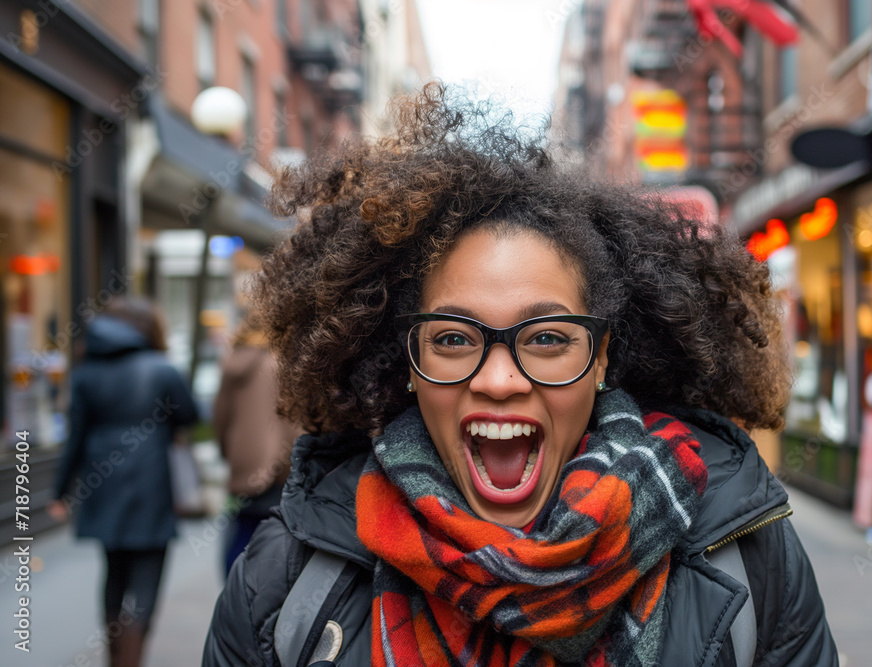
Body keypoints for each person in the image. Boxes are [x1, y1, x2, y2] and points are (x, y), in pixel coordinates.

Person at [203, 84, 838, 666]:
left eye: (547, 338)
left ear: (602, 358)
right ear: (408, 364)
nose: (501, 380)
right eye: (454, 338)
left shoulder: (751, 563)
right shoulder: (285, 582)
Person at [50, 296, 199, 667]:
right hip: (150, 482)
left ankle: (114, 658)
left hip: (103, 483)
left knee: (113, 571)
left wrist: (60, 492)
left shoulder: (86, 372)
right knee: (148, 573)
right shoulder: (161, 369)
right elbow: (190, 415)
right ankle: (134, 658)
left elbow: (75, 437)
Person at [213, 319, 301, 574]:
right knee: (282, 536)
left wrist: (230, 453)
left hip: (246, 465)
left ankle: (235, 591)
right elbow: (298, 419)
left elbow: (221, 418)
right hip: (286, 464)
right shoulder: (287, 362)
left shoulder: (234, 365)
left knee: (243, 532)